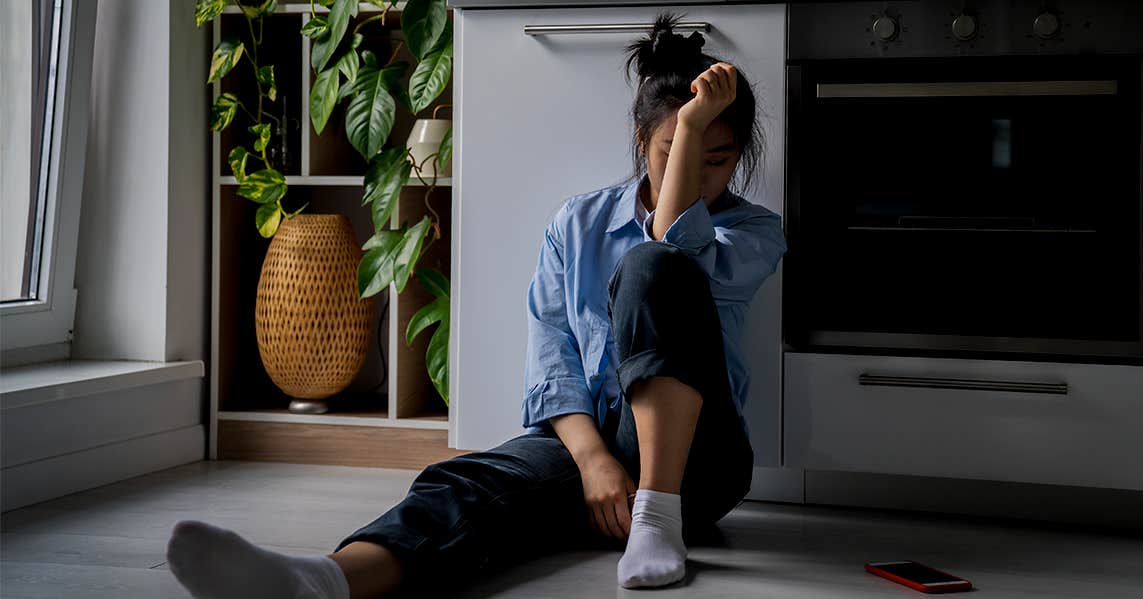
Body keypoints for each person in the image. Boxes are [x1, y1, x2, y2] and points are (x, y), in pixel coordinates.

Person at [165, 11, 787, 599]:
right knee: (468, 484)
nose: (702, 173)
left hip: (703, 467)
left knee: (656, 267)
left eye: (716, 159)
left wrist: (697, 122)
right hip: (591, 448)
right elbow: (554, 355)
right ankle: (323, 583)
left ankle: (657, 515)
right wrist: (594, 460)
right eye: (674, 151)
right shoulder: (578, 223)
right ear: (638, 140)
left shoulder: (754, 231)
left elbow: (671, 239)